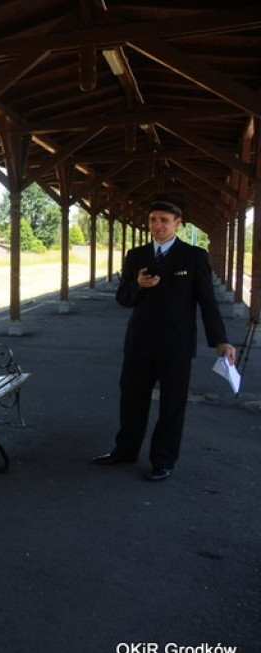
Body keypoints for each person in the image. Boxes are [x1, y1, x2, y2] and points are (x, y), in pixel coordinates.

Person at [92, 195, 236, 481]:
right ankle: (125, 451)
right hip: (139, 343)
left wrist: (221, 340)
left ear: (178, 224)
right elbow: (123, 299)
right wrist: (138, 285)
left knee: (172, 406)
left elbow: (208, 303)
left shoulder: (194, 257)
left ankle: (163, 461)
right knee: (131, 401)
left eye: (164, 221)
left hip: (176, 346)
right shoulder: (137, 256)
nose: (157, 225)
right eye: (153, 220)